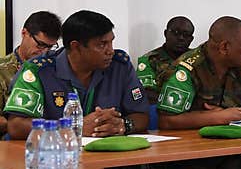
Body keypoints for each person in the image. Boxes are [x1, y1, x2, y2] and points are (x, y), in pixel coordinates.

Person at [156, 16, 241, 169]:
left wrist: (235, 115)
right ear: (224, 47)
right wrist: (219, 117)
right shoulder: (187, 69)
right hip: (190, 157)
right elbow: (166, 120)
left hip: (233, 152)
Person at [5, 11, 149, 140]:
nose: (110, 51)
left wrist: (123, 125)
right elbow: (16, 126)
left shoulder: (119, 66)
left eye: (111, 42)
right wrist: (73, 128)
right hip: (55, 157)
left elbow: (141, 115)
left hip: (109, 156)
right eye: (102, 44)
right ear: (76, 47)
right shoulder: (38, 70)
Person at [0, 11, 62, 137]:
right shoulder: (2, 71)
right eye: (40, 45)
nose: (44, 52)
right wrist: (18, 124)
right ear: (24, 33)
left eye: (50, 47)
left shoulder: (54, 70)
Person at [136, 16, 195, 104]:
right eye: (176, 33)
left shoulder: (196, 59)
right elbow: (145, 93)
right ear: (166, 33)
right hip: (160, 111)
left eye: (186, 35)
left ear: (191, 39)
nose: (181, 38)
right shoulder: (148, 60)